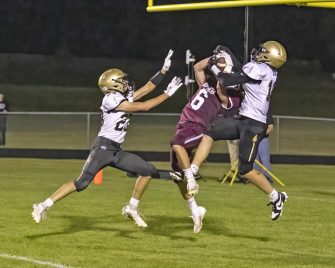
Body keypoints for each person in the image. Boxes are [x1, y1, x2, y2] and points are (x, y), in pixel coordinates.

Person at [32, 50, 183, 228]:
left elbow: (147, 88)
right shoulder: (111, 99)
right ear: (113, 85)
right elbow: (144, 106)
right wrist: (168, 93)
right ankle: (42, 205)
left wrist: (163, 70)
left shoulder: (119, 96)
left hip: (116, 150)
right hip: (103, 149)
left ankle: (132, 208)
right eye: (121, 80)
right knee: (81, 183)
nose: (125, 83)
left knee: (147, 170)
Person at [190, 41, 289, 221]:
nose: (258, 52)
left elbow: (227, 80)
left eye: (262, 51)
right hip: (244, 120)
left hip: (254, 125)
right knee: (211, 132)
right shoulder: (265, 71)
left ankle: (276, 196)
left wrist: (218, 66)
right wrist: (228, 59)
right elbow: (240, 75)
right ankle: (193, 170)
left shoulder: (261, 70)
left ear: (268, 56)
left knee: (245, 169)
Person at [169, 55, 241, 233]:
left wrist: (223, 69)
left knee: (177, 145)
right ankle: (195, 210)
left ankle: (192, 178)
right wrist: (214, 58)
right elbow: (198, 68)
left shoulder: (233, 98)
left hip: (196, 127)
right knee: (177, 176)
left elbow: (220, 86)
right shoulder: (207, 84)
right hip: (183, 125)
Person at [253, 112, 274, 183]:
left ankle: (267, 178)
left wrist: (260, 135)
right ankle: (255, 178)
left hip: (263, 139)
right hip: (252, 140)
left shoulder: (266, 113)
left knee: (265, 159)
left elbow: (270, 128)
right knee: (254, 160)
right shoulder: (252, 113)